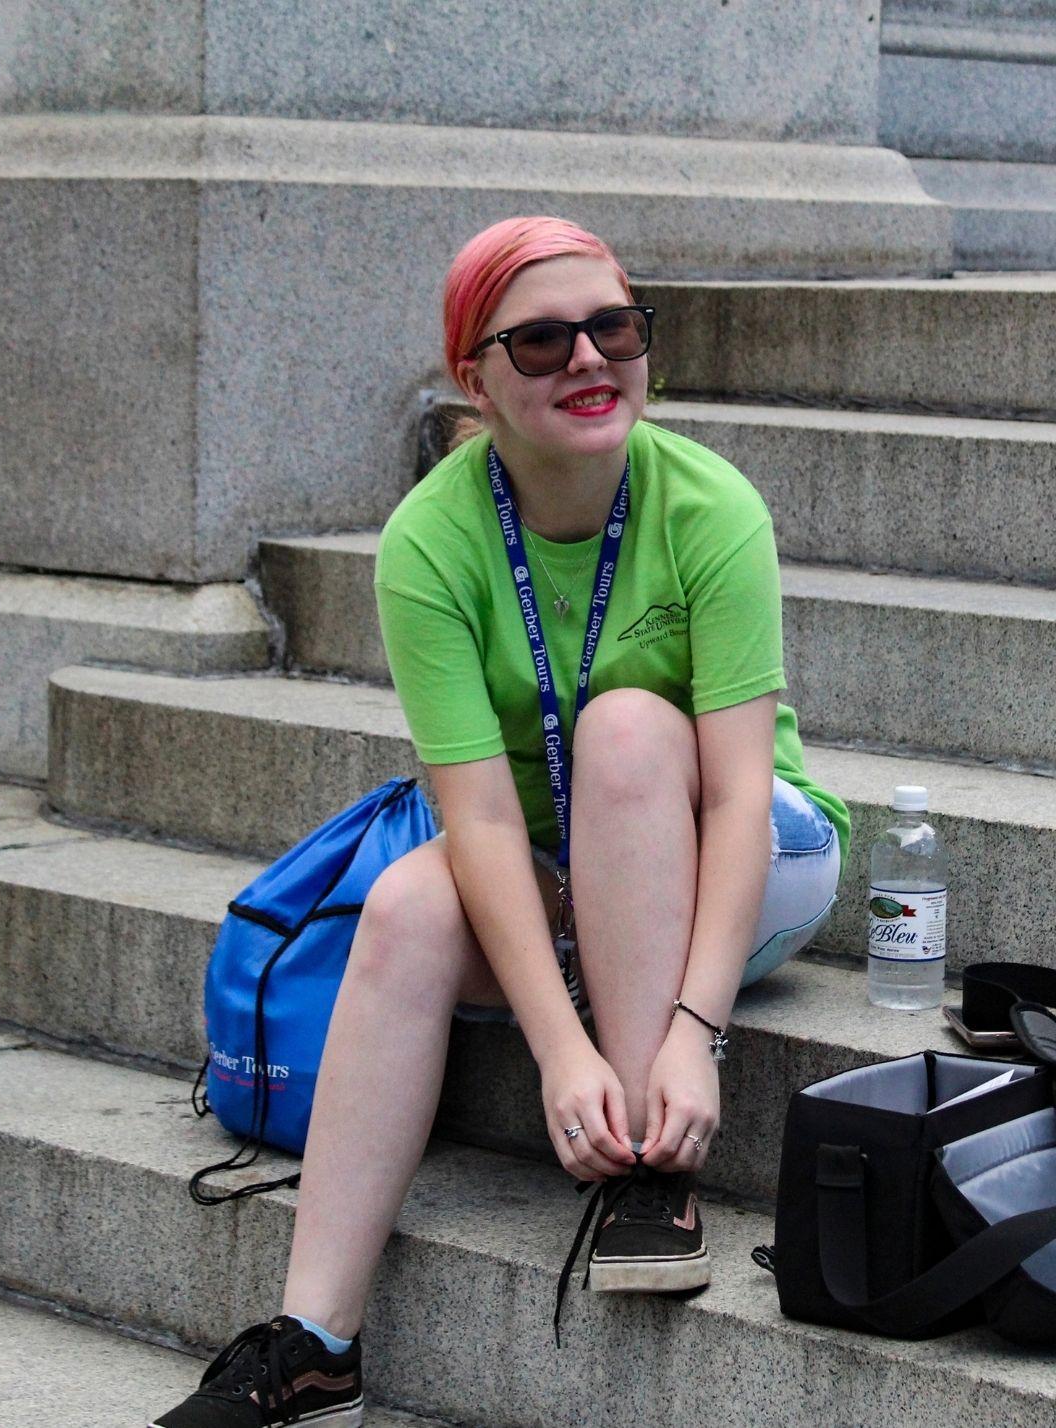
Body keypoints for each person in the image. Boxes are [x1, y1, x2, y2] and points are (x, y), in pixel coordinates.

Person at [150, 215, 851, 1428]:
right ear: (473, 378)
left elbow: (738, 795)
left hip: (753, 862)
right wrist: (554, 1049)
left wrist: (687, 1034)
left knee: (628, 728)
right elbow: (473, 820)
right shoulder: (431, 537)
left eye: (613, 327)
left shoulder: (710, 506)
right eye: (537, 342)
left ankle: (651, 1168)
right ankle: (314, 1345)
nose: (586, 359)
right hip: (560, 871)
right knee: (412, 897)